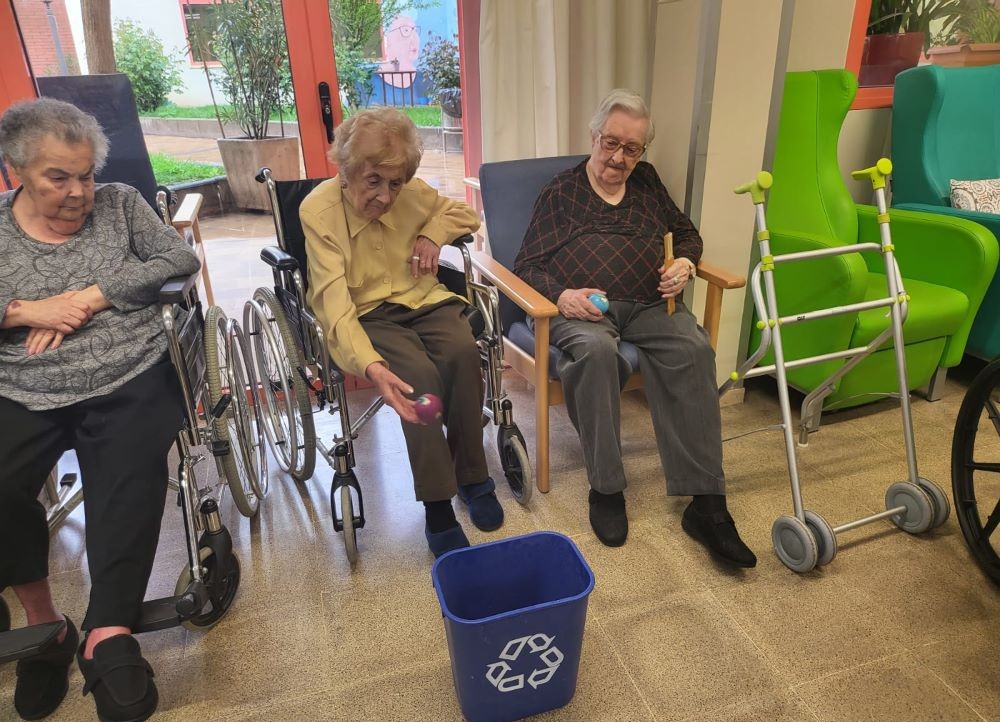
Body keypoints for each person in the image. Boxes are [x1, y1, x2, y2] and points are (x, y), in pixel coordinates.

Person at [0, 98, 201, 722]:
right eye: (58, 177)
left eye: (86, 175)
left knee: (129, 472)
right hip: (22, 386)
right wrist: (26, 311)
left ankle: (108, 630)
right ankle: (46, 628)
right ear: (16, 172)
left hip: (127, 373)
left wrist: (89, 297)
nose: (79, 192)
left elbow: (178, 259)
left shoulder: (121, 203)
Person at [513, 89, 756, 567]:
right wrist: (563, 296)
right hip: (583, 310)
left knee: (693, 347)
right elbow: (527, 265)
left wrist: (685, 263)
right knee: (596, 353)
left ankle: (707, 506)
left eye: (632, 148)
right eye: (611, 143)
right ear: (593, 136)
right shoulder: (562, 192)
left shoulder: (647, 182)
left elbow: (686, 234)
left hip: (649, 306)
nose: (619, 157)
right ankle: (606, 488)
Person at [301, 107, 502, 558]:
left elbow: (465, 216)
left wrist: (433, 233)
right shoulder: (319, 211)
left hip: (423, 299)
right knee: (417, 378)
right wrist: (371, 366)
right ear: (347, 170)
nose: (386, 196)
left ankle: (472, 476)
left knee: (462, 353)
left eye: (395, 183)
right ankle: (438, 504)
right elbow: (333, 303)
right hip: (366, 314)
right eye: (373, 181)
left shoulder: (412, 194)